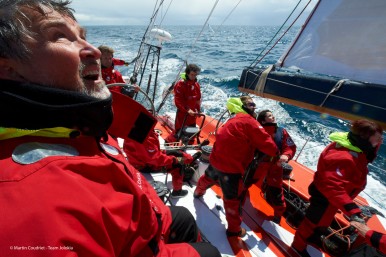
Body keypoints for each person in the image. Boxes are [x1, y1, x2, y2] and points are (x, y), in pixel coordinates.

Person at [0, 1, 221, 257]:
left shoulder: (82, 125)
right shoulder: (37, 203)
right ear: (8, 69)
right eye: (59, 36)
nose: (91, 49)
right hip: (139, 243)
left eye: (83, 37)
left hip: (144, 216)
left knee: (181, 216)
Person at [291, 119, 383, 257]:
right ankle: (297, 246)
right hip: (326, 197)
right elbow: (332, 186)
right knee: (312, 222)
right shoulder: (344, 157)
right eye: (377, 140)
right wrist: (353, 211)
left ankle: (314, 237)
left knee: (324, 221)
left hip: (334, 200)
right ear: (364, 139)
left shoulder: (355, 145)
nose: (379, 142)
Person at [195, 96, 279, 237]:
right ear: (245, 107)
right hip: (231, 168)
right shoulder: (250, 122)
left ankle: (198, 192)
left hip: (216, 160)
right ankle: (234, 230)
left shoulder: (233, 119)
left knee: (208, 178)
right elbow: (268, 144)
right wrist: (276, 153)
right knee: (232, 200)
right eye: (251, 104)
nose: (254, 107)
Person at [123, 129, 194, 198]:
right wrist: (175, 160)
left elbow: (151, 153)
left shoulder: (135, 130)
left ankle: (188, 159)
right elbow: (157, 160)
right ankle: (177, 192)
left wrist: (172, 154)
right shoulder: (143, 136)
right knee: (178, 165)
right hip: (144, 165)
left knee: (175, 152)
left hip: (140, 160)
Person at [255, 110, 297, 224]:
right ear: (263, 120)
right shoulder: (257, 130)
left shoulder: (281, 131)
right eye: (269, 116)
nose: (272, 117)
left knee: (277, 194)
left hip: (275, 167)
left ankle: (277, 215)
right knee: (244, 184)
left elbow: (290, 147)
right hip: (258, 165)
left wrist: (286, 155)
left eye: (272, 115)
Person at [166, 64, 202, 143]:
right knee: (178, 133)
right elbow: (178, 101)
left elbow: (197, 99)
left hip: (192, 115)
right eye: (192, 75)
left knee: (191, 132)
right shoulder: (180, 84)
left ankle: (188, 144)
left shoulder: (196, 85)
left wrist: (198, 110)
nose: (193, 77)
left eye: (195, 75)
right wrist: (187, 110)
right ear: (187, 73)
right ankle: (167, 142)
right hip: (182, 115)